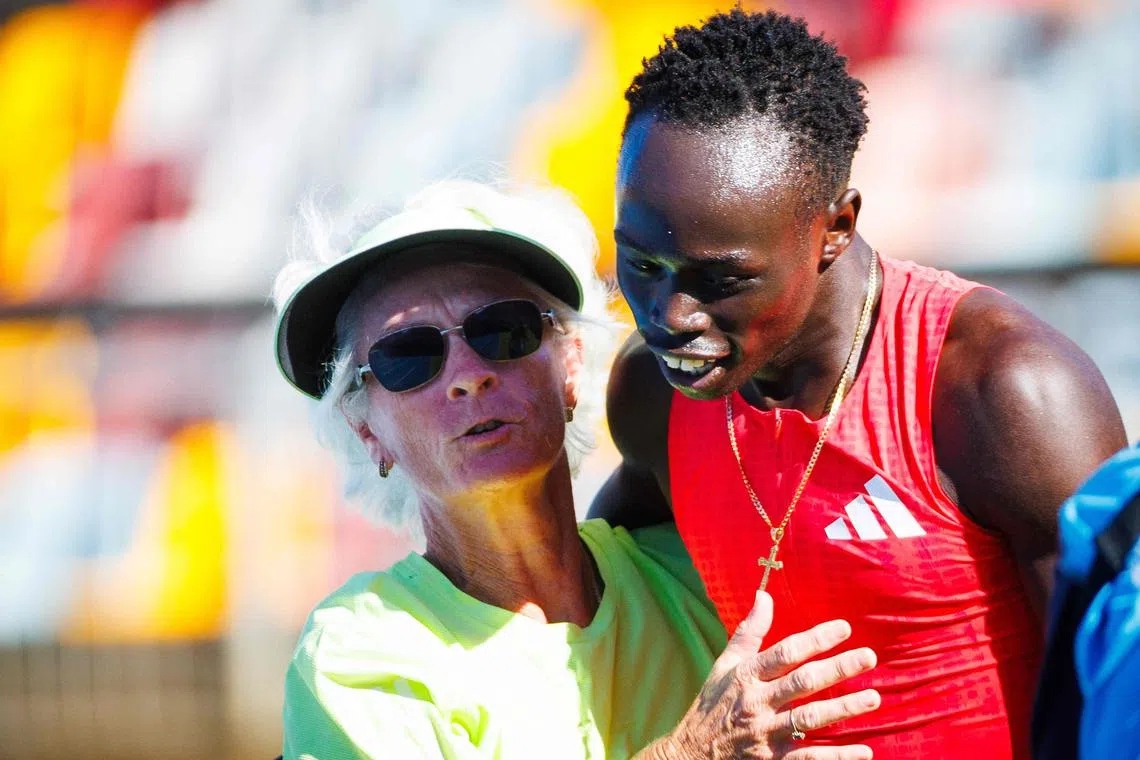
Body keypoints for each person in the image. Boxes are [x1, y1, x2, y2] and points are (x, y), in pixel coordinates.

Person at [588, 9, 1128, 760]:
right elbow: (594, 592)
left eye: (721, 279)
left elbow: (1120, 701)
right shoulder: (654, 395)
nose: (670, 316)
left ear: (836, 228)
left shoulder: (1002, 388)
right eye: (643, 265)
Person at [272, 181, 882, 759]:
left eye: (503, 330)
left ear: (570, 365)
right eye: (408, 356)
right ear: (366, 429)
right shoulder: (360, 654)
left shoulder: (698, 565)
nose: (467, 375)